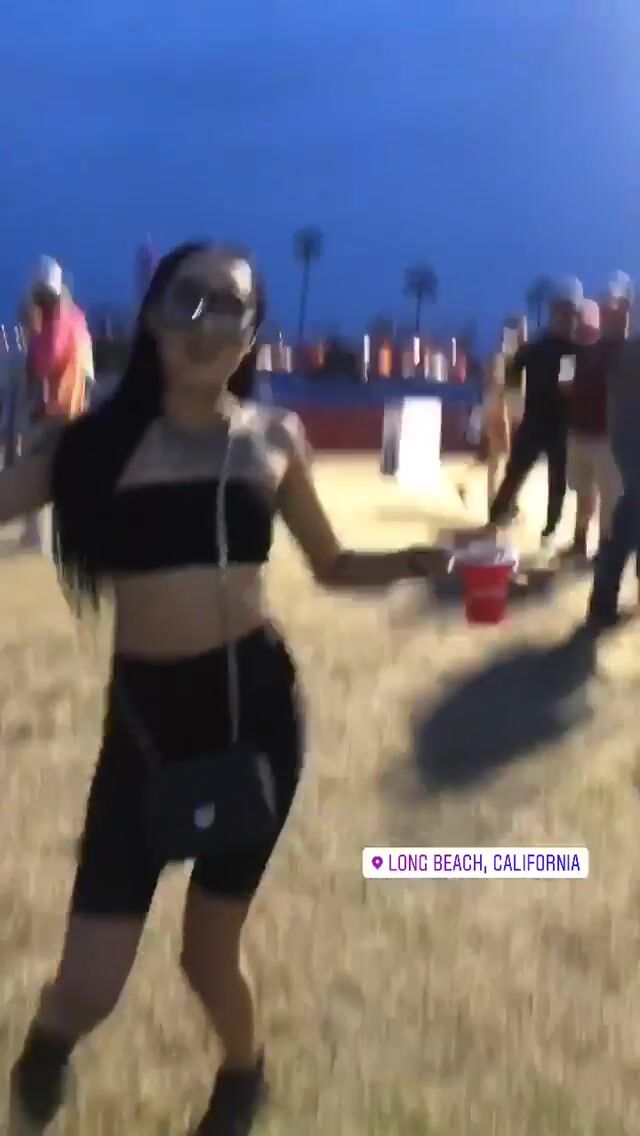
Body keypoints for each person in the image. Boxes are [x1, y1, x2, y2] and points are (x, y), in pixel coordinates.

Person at [7, 241, 446, 1135]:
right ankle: (48, 1048)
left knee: (209, 959)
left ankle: (244, 1074)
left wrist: (421, 560)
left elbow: (331, 564)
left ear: (253, 334)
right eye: (188, 299)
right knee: (88, 983)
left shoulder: (273, 439)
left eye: (230, 307)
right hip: (146, 726)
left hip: (255, 723)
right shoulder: (89, 448)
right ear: (153, 314)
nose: (206, 323)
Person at [485, 280, 582, 547]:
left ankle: (549, 528)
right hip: (539, 420)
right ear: (556, 313)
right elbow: (514, 374)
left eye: (571, 314)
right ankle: (497, 517)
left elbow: (565, 387)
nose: (569, 319)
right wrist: (515, 403)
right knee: (517, 473)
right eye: (565, 313)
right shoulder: (543, 347)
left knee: (554, 479)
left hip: (557, 424)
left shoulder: (565, 348)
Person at [20, 259, 92, 549]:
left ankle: (37, 538)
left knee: (35, 473)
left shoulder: (55, 321)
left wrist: (32, 333)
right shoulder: (77, 319)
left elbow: (42, 362)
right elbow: (87, 371)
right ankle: (48, 535)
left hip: (54, 410)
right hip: (73, 407)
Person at [586, 289, 639, 627]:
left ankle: (602, 605)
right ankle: (602, 606)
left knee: (625, 524)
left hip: (623, 446)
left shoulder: (623, 350)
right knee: (624, 527)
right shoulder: (624, 351)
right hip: (630, 449)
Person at [563, 297, 622, 558]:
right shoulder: (568, 355)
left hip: (605, 438)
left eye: (581, 319)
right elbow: (563, 388)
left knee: (608, 497)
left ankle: (606, 549)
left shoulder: (612, 352)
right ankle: (579, 543)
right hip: (578, 434)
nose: (577, 324)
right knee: (583, 494)